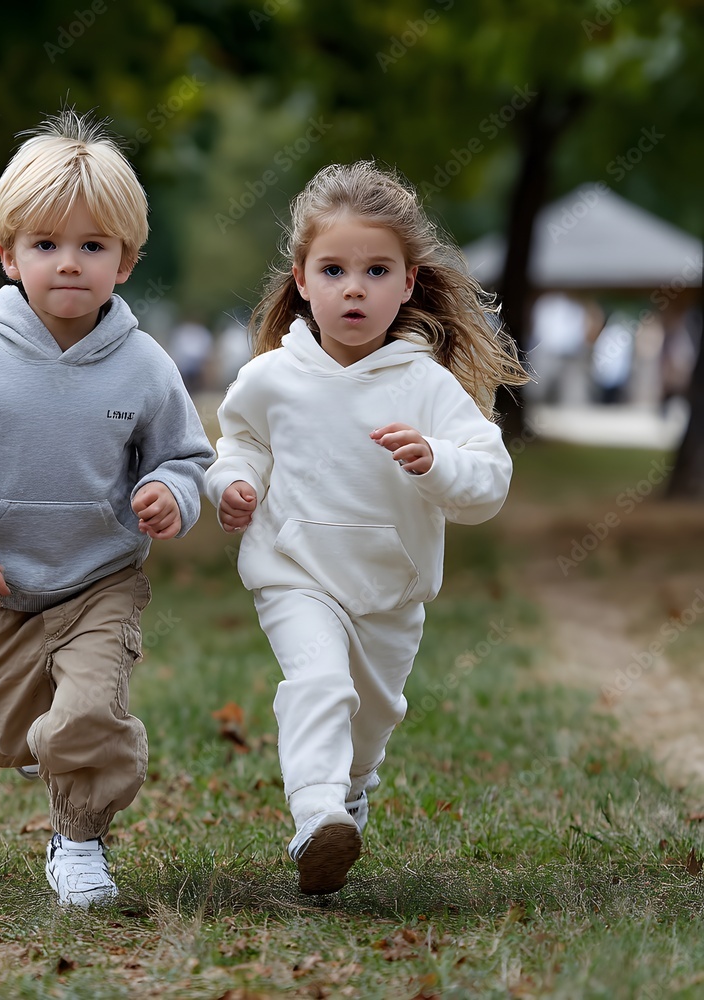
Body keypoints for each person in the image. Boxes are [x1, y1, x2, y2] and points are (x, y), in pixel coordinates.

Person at [0, 110, 214, 908]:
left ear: (127, 261)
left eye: (92, 246)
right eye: (45, 245)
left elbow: (187, 457)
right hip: (4, 586)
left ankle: (79, 845)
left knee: (85, 719)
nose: (68, 264)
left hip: (100, 581)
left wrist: (170, 493)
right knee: (8, 739)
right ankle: (44, 736)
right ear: (8, 256)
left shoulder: (144, 365)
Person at [204, 161, 529, 895]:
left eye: (377, 270)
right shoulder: (271, 378)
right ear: (303, 277)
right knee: (318, 682)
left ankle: (351, 786)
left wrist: (437, 460)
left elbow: (488, 482)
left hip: (389, 590)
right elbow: (240, 444)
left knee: (372, 714)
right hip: (295, 569)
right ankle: (316, 816)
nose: (355, 287)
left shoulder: (427, 386)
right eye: (335, 269)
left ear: (408, 282)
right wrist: (233, 483)